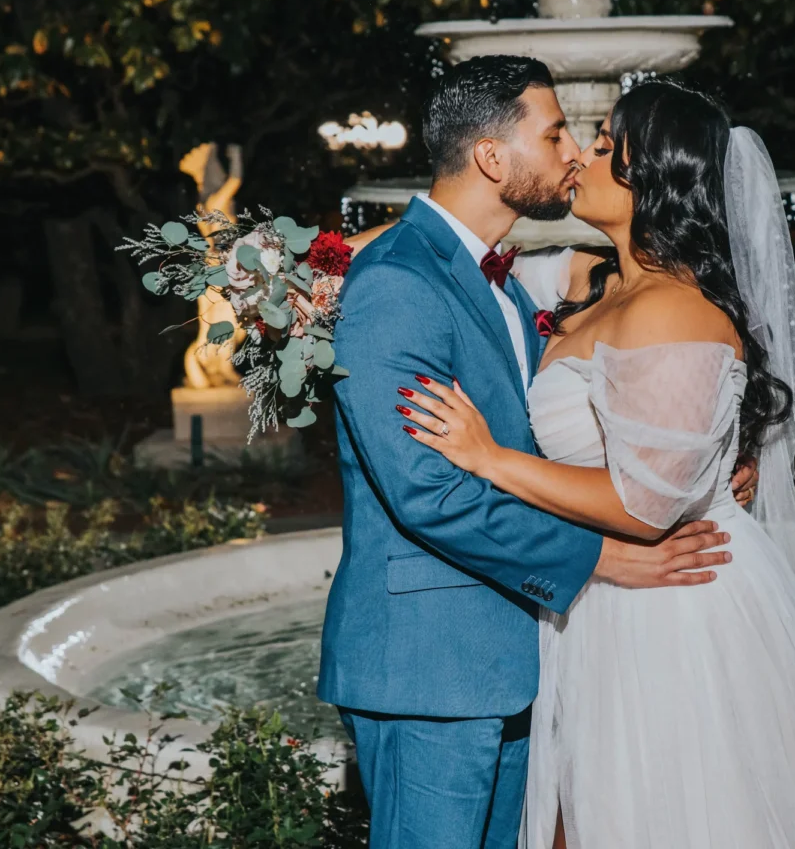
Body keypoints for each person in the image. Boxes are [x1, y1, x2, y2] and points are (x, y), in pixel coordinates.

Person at [398, 81, 795, 848]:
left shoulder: (673, 308)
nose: (581, 157)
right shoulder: (588, 281)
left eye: (605, 146)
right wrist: (284, 266)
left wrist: (491, 459)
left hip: (671, 609)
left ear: (654, 176)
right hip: (598, 598)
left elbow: (644, 507)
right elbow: (434, 245)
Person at [321, 56, 756, 849]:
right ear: (493, 158)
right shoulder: (398, 286)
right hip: (431, 668)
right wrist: (600, 558)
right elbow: (429, 494)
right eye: (555, 133)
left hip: (518, 656)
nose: (572, 153)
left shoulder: (516, 286)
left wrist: (712, 452)